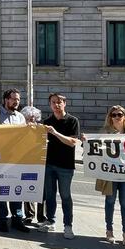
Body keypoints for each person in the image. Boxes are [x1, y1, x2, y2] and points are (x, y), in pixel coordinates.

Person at [93, 105, 125, 246]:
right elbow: (96, 149)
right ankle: (109, 230)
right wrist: (87, 142)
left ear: (124, 116)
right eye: (113, 115)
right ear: (110, 117)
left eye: (119, 114)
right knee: (110, 201)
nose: (116, 117)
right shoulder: (105, 132)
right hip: (110, 173)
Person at [39, 93, 80, 239]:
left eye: (59, 102)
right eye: (53, 102)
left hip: (65, 166)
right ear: (50, 104)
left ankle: (68, 226)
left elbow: (73, 142)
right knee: (49, 195)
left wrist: (55, 133)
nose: (56, 105)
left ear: (65, 104)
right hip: (49, 164)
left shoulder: (72, 121)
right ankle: (50, 221)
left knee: (65, 196)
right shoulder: (47, 121)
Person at [0, 89, 29, 233]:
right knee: (1, 191)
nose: (16, 102)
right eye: (13, 99)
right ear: (6, 100)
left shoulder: (20, 117)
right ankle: (2, 219)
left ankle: (17, 219)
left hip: (16, 159)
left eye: (18, 99)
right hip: (0, 159)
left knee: (17, 190)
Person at [20, 105, 46, 224]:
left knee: (41, 191)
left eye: (34, 118)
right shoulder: (20, 130)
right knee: (28, 190)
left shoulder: (41, 129)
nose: (32, 120)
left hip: (40, 163)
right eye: (29, 118)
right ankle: (29, 215)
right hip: (26, 163)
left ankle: (41, 216)